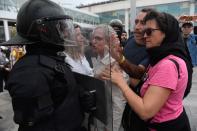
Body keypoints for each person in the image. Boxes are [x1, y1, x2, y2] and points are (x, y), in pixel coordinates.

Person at [0, 0, 94, 131]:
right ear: (43, 29)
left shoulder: (50, 59)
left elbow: (58, 91)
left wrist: (78, 94)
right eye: (60, 28)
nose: (66, 34)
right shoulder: (28, 72)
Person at [101, 10, 192, 131]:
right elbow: (144, 82)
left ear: (166, 33)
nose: (144, 36)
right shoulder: (160, 58)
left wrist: (120, 82)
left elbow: (145, 111)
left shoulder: (167, 65)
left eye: (149, 32)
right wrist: (119, 72)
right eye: (144, 31)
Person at [91, 24, 128, 131]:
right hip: (100, 119)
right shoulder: (99, 57)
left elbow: (119, 103)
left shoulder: (113, 64)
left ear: (108, 42)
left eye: (98, 39)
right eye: (93, 38)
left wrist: (112, 128)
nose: (94, 42)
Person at [110, 8, 154, 88]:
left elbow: (139, 72)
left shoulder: (152, 48)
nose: (137, 27)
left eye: (143, 23)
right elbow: (122, 55)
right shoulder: (131, 38)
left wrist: (120, 58)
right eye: (136, 22)